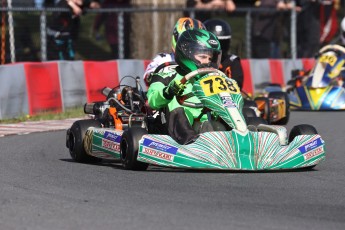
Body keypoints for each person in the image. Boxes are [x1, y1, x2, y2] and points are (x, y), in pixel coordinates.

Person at [146, 29, 223, 145]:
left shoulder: (213, 78)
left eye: (210, 58)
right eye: (203, 56)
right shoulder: (167, 74)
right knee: (173, 103)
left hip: (206, 123)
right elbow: (152, 100)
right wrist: (169, 91)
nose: (207, 62)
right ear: (188, 53)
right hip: (173, 126)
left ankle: (241, 136)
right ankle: (191, 141)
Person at [143, 17, 206, 86]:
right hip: (169, 94)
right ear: (177, 38)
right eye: (188, 43)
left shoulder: (204, 62)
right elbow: (148, 77)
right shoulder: (163, 59)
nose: (192, 47)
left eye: (196, 44)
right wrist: (160, 75)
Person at [204, 18, 244, 89]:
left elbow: (237, 85)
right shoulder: (201, 61)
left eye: (223, 44)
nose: (219, 49)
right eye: (215, 45)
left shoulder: (232, 61)